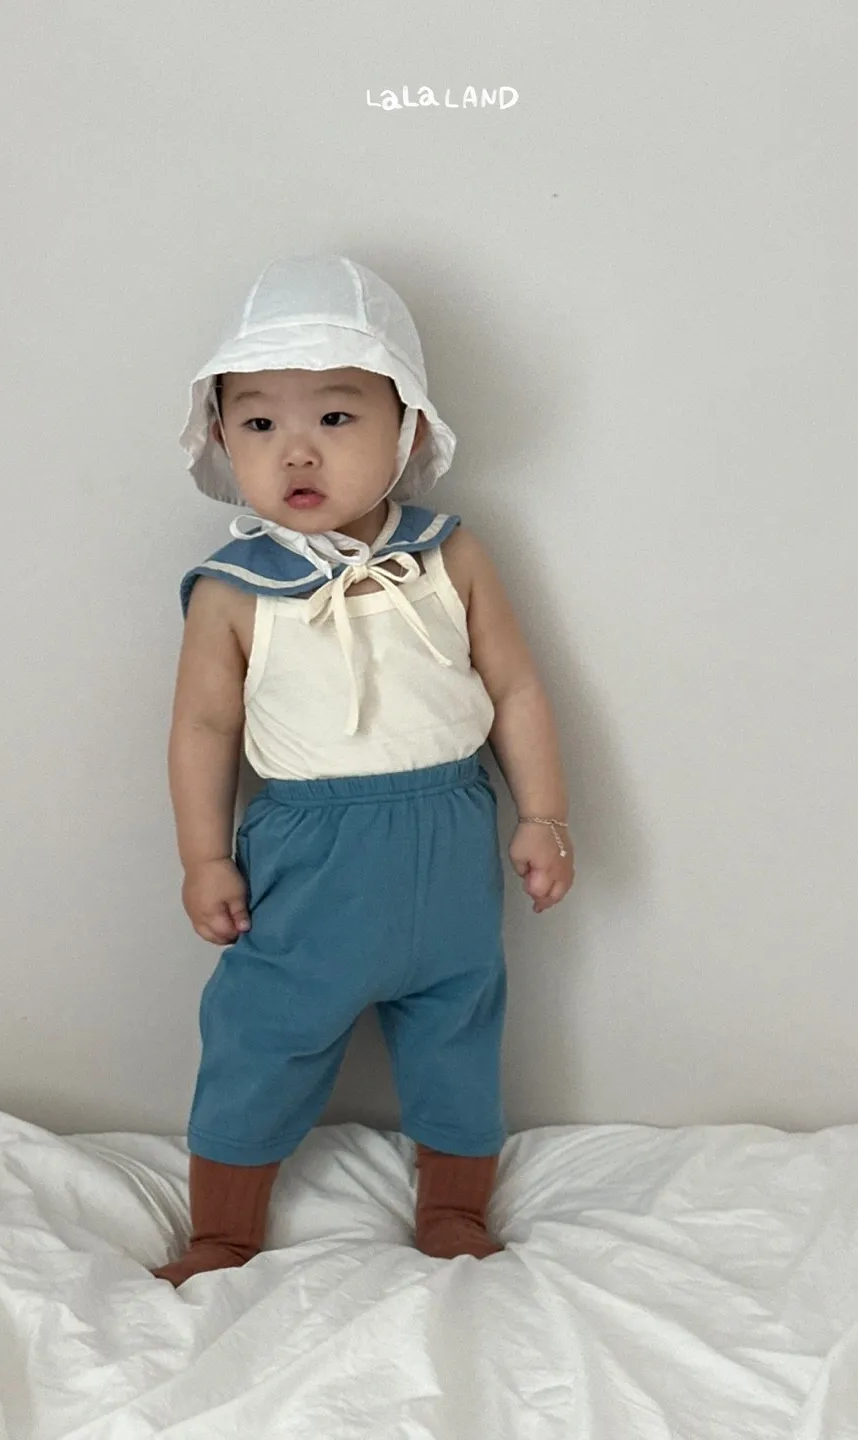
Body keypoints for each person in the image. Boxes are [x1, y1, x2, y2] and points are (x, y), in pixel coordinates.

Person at [152, 255, 574, 1287]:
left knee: (459, 1029)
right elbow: (201, 730)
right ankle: (223, 1232)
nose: (296, 449)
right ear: (222, 440)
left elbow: (515, 687)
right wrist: (204, 858)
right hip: (310, 855)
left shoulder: (451, 556)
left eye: (336, 417)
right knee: (261, 1033)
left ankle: (456, 1210)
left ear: (409, 431)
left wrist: (544, 814)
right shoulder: (233, 591)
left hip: (451, 839)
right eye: (259, 422)